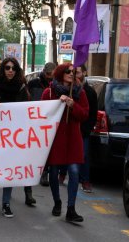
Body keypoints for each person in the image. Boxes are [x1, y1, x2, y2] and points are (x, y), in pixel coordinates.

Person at [0, 58, 35, 218]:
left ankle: (6, 203)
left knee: (10, 170)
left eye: (13, 68)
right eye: (7, 67)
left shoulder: (21, 87)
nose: (10, 70)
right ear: (3, 70)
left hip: (14, 136)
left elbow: (26, 109)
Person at [41, 63, 89, 223]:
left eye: (73, 72)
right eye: (68, 71)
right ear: (61, 73)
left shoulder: (80, 92)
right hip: (56, 138)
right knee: (53, 172)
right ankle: (57, 202)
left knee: (74, 171)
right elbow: (42, 113)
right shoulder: (49, 92)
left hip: (73, 138)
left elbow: (84, 114)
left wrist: (72, 104)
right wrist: (57, 101)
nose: (71, 74)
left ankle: (71, 208)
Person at [28, 62, 56, 186]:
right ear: (44, 72)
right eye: (49, 74)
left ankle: (44, 172)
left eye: (52, 75)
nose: (50, 77)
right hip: (34, 120)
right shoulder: (33, 83)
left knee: (47, 148)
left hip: (48, 121)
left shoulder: (56, 86)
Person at [75, 65, 98, 193]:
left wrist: (88, 128)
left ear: (84, 72)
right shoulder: (70, 88)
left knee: (83, 155)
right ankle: (64, 174)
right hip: (72, 128)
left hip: (84, 130)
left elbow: (93, 113)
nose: (75, 75)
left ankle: (85, 180)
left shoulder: (90, 91)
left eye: (77, 72)